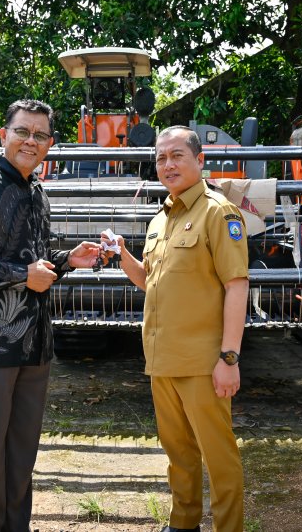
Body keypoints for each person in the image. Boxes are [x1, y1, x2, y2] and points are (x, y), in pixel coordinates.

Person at [0, 99, 101, 531]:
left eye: (40, 135)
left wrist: (66, 260)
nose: (31, 141)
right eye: (23, 131)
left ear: (50, 144)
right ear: (4, 134)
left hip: (35, 345)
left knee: (21, 455)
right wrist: (20, 276)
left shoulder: (37, 192)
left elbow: (33, 260)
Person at [102, 125, 249, 532]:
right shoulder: (160, 220)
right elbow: (150, 280)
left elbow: (237, 286)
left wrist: (229, 358)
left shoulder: (218, 213)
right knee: (178, 454)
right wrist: (122, 254)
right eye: (161, 158)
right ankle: (183, 523)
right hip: (162, 360)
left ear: (199, 160)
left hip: (203, 362)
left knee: (218, 458)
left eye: (176, 155)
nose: (167, 165)